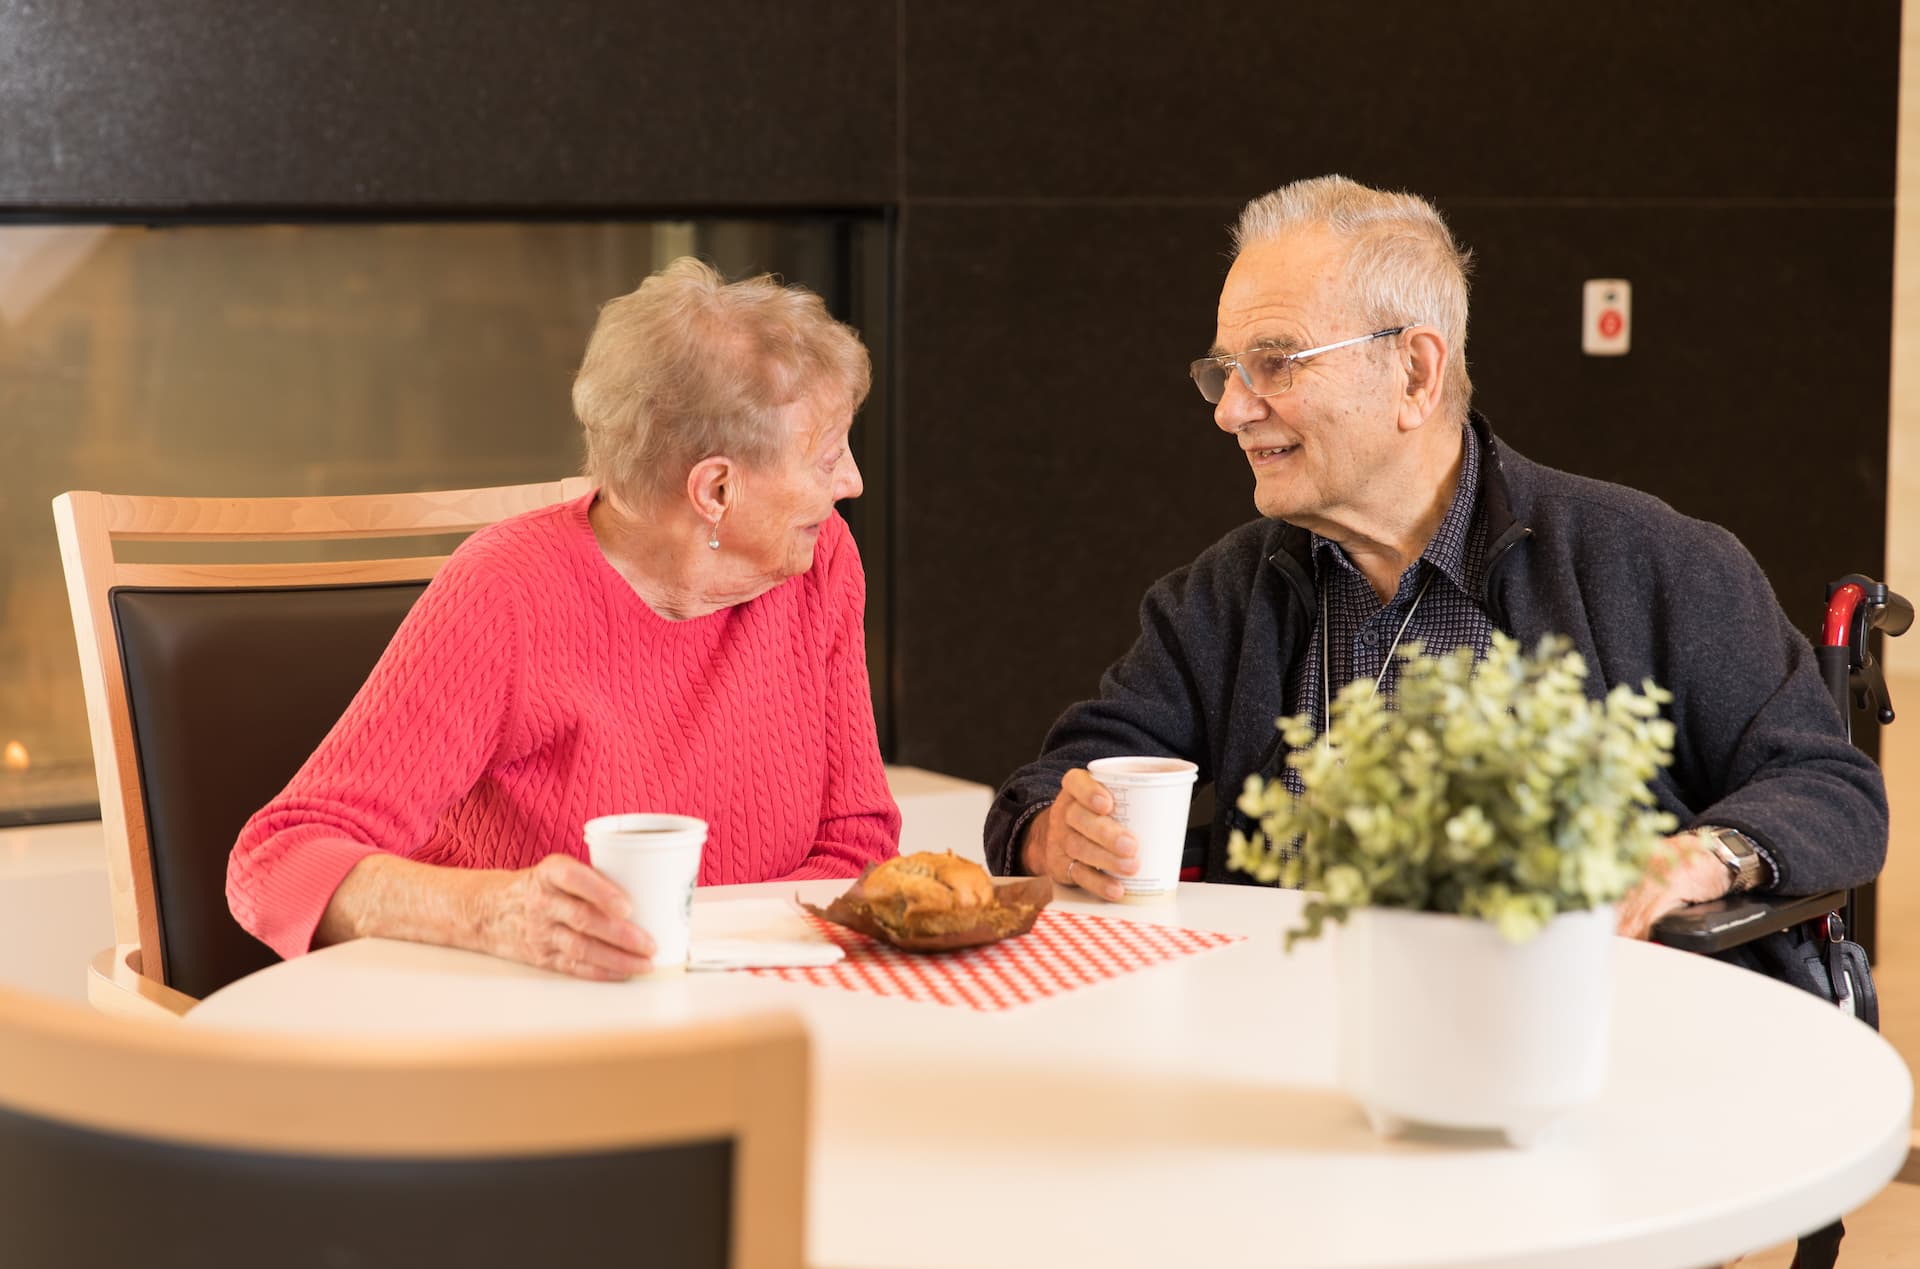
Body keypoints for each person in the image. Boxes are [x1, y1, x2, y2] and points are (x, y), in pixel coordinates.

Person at [985, 175, 1887, 940]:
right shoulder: (1224, 595)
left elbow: (1830, 786)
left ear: (1416, 373)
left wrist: (1709, 855)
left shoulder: (1653, 563)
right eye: (1225, 371)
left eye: (1276, 361)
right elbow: (1059, 779)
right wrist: (1052, 832)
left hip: (1586, 1035)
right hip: (1288, 1035)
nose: (1231, 409)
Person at [228, 258, 900, 979]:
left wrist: (723, 967)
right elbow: (277, 860)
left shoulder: (819, 562)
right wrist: (493, 914)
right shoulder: (506, 593)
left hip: (752, 1000)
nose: (852, 482)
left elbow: (855, 844)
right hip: (517, 1012)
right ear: (715, 490)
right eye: (827, 457)